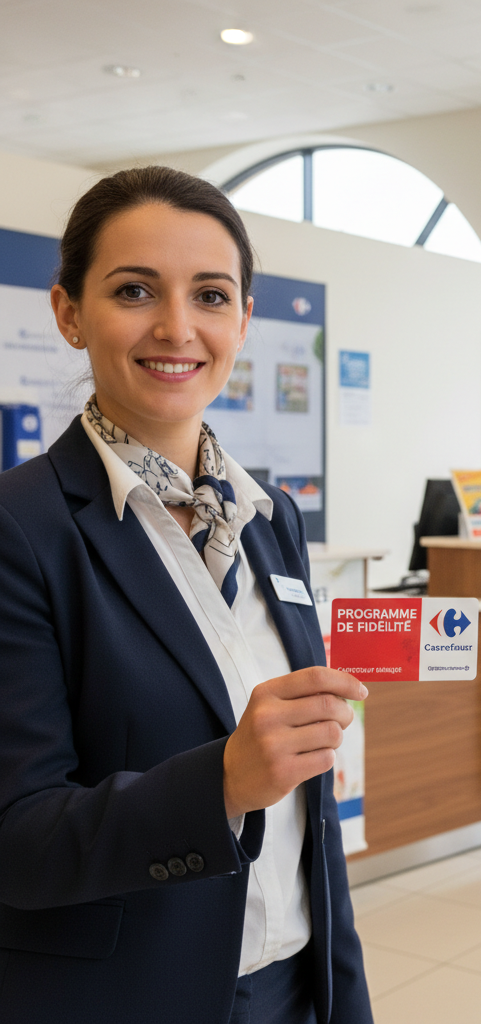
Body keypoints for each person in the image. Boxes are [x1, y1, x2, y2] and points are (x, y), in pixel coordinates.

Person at [0, 167, 373, 1024]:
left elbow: (307, 816)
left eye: (211, 294)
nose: (177, 327)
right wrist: (224, 784)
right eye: (134, 290)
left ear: (243, 318)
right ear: (68, 313)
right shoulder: (21, 531)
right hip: (126, 998)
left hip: (292, 987)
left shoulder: (269, 513)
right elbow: (17, 839)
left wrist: (342, 996)